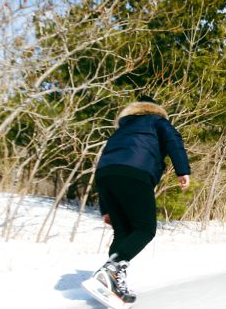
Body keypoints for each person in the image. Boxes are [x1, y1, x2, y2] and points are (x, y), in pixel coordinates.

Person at [90, 95, 191, 305]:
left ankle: (113, 283)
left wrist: (106, 208)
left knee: (123, 231)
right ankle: (112, 268)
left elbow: (108, 160)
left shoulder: (121, 130)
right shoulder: (157, 121)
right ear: (155, 109)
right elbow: (174, 141)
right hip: (135, 174)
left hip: (105, 176)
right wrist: (182, 170)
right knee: (145, 229)